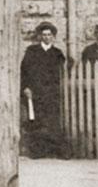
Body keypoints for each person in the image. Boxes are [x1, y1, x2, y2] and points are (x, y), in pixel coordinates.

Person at [21, 21, 68, 158]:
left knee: (52, 121)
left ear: (53, 37)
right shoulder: (32, 51)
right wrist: (25, 87)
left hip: (51, 93)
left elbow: (61, 73)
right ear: (40, 36)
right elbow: (24, 71)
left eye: (49, 35)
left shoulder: (57, 53)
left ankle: (52, 150)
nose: (47, 37)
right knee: (36, 121)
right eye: (44, 34)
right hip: (35, 92)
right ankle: (37, 152)